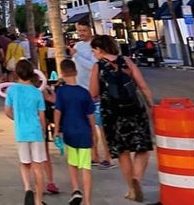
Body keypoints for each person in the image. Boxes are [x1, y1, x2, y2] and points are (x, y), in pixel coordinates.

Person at [89, 35, 155, 203]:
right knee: (142, 148)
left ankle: (132, 189)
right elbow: (142, 85)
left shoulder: (98, 67)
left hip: (112, 113)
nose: (93, 54)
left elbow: (93, 93)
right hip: (134, 109)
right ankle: (137, 179)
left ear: (100, 49)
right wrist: (152, 106)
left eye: (93, 50)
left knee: (122, 152)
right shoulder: (126, 61)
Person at [72, 18, 114, 168]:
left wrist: (76, 55)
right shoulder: (77, 46)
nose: (81, 33)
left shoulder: (95, 47)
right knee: (88, 126)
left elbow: (94, 66)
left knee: (102, 125)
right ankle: (94, 154)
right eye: (79, 31)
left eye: (84, 31)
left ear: (90, 30)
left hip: (96, 92)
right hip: (81, 90)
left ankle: (108, 156)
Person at [5, 59, 48, 205]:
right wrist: (43, 132)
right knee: (38, 167)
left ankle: (27, 188)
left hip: (21, 132)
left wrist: (17, 119)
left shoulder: (12, 90)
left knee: (25, 163)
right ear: (32, 74)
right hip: (35, 132)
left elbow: (7, 111)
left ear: (16, 73)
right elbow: (42, 117)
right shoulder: (37, 93)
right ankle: (38, 200)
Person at [54, 58, 97, 205]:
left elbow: (58, 111)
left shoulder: (61, 92)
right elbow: (90, 115)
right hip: (84, 132)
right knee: (86, 167)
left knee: (72, 163)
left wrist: (56, 130)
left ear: (62, 73)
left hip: (69, 132)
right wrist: (94, 133)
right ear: (76, 72)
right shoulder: (84, 93)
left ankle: (76, 189)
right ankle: (88, 201)